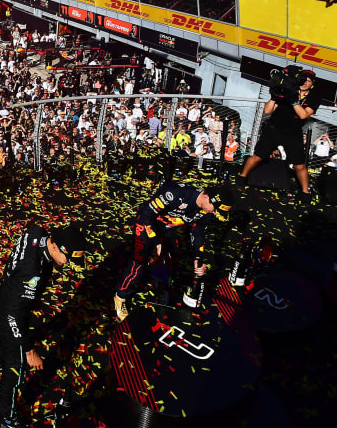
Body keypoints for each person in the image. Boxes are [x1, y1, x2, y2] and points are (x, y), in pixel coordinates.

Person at [0, 223, 87, 428]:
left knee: (8, 337)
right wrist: (30, 351)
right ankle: (8, 418)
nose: (68, 265)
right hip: (11, 309)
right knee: (17, 366)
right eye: (67, 259)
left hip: (7, 292)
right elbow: (14, 315)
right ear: (55, 248)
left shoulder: (38, 233)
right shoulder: (33, 272)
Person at [114, 183, 236, 321]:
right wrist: (157, 243)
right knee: (138, 264)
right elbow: (145, 214)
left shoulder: (205, 211)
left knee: (172, 258)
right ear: (207, 197)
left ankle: (160, 289)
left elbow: (198, 232)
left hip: (166, 228)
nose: (214, 213)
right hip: (146, 224)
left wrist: (198, 258)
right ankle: (120, 296)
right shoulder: (175, 193)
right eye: (215, 209)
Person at [237, 67, 320, 197]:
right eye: (303, 79)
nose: (305, 83)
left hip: (293, 133)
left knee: (299, 165)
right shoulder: (288, 89)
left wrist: (293, 100)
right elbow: (268, 111)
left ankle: (305, 192)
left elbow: (303, 115)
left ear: (312, 83)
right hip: (274, 128)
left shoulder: (314, 97)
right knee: (257, 156)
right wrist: (274, 96)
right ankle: (242, 177)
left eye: (308, 81)